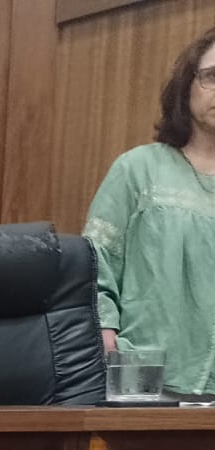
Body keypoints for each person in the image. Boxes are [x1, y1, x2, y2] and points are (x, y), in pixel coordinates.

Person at [83, 26, 215, 402]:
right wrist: (106, 336)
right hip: (144, 380)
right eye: (212, 76)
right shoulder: (138, 169)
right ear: (186, 84)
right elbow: (93, 266)